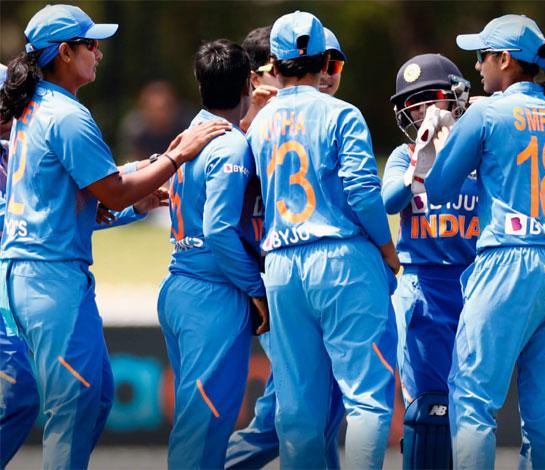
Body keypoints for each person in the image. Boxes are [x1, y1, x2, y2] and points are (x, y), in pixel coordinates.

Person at [0, 5, 227, 468]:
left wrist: (141, 189)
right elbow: (114, 190)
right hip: (49, 280)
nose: (99, 53)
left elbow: (89, 202)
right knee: (75, 405)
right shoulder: (63, 114)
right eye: (90, 44)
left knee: (97, 397)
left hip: (48, 276)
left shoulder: (39, 109)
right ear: (64, 53)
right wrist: (176, 154)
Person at [424, 14, 545, 469]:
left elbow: (437, 189)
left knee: (473, 397)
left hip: (509, 262)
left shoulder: (486, 112)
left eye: (481, 56)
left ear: (504, 59)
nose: (476, 66)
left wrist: (443, 135)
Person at [246, 11, 399, 469]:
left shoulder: (259, 123)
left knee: (296, 409)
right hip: (342, 258)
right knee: (367, 400)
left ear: (274, 62)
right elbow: (362, 191)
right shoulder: (342, 114)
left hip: (281, 265)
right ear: (326, 63)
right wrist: (387, 250)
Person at [225, 24, 348, 470]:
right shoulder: (243, 134)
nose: (327, 74)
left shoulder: (328, 123)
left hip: (304, 282)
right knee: (287, 414)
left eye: (333, 64)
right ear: (266, 73)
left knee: (318, 412)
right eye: (317, 64)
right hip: (275, 288)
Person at [157, 38, 269, 469]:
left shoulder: (191, 133)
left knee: (194, 423)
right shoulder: (229, 145)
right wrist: (256, 287)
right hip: (213, 296)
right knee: (204, 429)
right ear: (247, 82)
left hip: (179, 287)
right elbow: (220, 230)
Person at [382, 53, 477, 469]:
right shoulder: (404, 156)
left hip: (475, 283)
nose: (423, 111)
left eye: (432, 99)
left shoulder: (480, 151)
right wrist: (416, 171)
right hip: (423, 286)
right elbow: (388, 201)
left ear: (456, 99)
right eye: (414, 104)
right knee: (428, 408)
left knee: (473, 408)